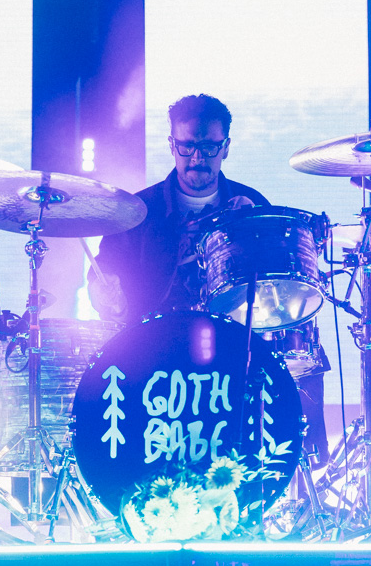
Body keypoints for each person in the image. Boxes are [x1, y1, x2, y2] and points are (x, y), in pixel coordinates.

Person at [88, 93, 329, 465]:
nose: (197, 158)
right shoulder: (136, 213)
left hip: (231, 351)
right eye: (186, 147)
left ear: (226, 147)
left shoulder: (251, 206)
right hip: (156, 354)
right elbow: (106, 288)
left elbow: (273, 295)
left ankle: (298, 471)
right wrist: (106, 296)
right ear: (171, 145)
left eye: (208, 147)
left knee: (306, 362)